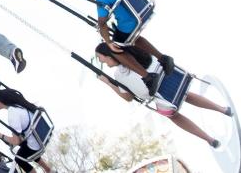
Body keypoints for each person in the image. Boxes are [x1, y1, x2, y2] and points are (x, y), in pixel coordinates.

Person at [93, 42, 231, 148]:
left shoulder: (120, 75)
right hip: (176, 81)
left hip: (166, 98)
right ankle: (222, 109)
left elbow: (128, 98)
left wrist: (109, 83)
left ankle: (209, 139)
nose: (103, 62)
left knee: (172, 115)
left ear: (108, 55)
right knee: (186, 95)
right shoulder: (137, 51)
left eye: (101, 59)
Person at [79, 0, 173, 80]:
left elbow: (102, 22)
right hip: (142, 12)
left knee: (114, 49)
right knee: (132, 38)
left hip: (130, 23)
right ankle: (163, 59)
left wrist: (108, 42)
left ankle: (147, 77)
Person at [0, 88, 52, 173]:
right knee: (23, 146)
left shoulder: (12, 113)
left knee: (19, 159)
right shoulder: (19, 104)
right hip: (41, 136)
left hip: (36, 144)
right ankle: (48, 170)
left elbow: (16, 141)